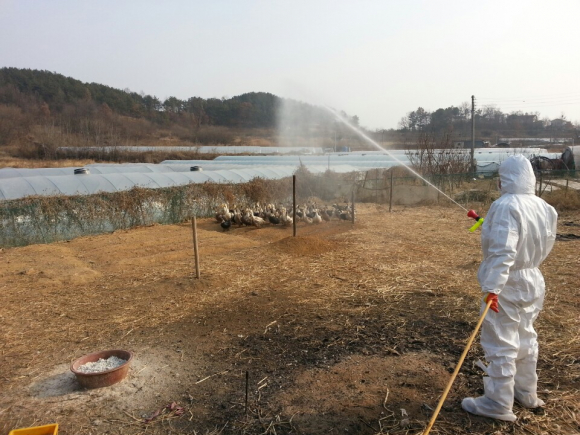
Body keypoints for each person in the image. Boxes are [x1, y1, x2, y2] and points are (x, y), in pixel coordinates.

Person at [462, 155, 558, 421]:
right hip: (532, 278)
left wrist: (493, 287)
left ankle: (498, 403)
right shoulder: (544, 206)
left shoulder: (505, 205)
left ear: (504, 179)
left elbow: (504, 251)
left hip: (508, 283)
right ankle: (526, 392)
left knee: (501, 340)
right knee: (526, 336)